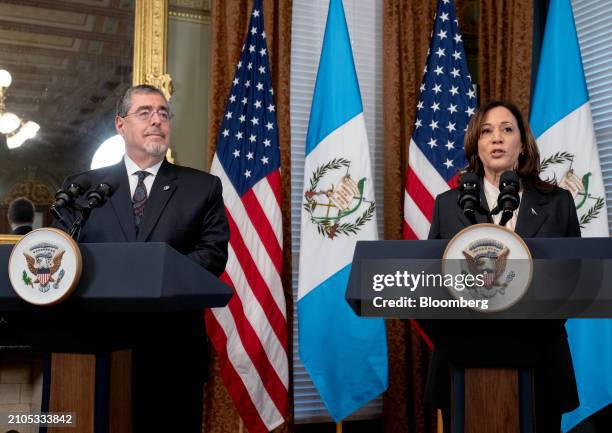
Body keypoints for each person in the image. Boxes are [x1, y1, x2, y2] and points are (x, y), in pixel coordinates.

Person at [58, 84, 229, 433]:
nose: (156, 121)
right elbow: (65, 257)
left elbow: (212, 256)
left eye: (163, 113)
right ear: (121, 125)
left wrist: (149, 275)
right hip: (97, 349)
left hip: (173, 352)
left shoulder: (202, 188)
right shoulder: (82, 189)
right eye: (145, 112)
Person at [425, 100, 580, 432]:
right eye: (486, 131)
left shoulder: (558, 203)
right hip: (461, 361)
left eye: (507, 130)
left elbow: (574, 280)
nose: (496, 138)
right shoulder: (448, 206)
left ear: (522, 145)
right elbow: (432, 283)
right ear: (476, 146)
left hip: (540, 361)